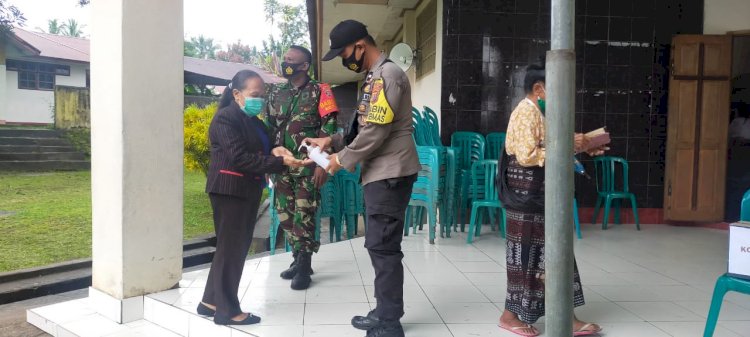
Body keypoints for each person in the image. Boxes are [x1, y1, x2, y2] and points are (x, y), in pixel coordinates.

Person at [304, 20, 421, 337]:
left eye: (343, 52)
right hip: (381, 172)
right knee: (379, 245)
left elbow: (376, 133)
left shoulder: (388, 75)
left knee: (383, 247)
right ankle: (384, 310)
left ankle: (389, 322)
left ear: (359, 46)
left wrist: (338, 161)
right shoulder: (374, 77)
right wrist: (330, 143)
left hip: (390, 174)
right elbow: (363, 127)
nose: (343, 59)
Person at [498, 64, 604, 336]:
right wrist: (568, 145)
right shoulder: (525, 112)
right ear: (538, 89)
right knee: (528, 259)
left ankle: (566, 316)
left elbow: (547, 145)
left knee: (553, 255)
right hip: (527, 200)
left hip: (540, 199)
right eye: (556, 89)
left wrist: (581, 144)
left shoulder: (540, 113)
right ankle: (511, 316)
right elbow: (526, 155)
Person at [198, 70, 310, 325]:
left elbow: (267, 145)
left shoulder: (254, 121)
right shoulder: (226, 119)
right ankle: (227, 311)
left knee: (230, 248)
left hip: (245, 190)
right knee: (232, 249)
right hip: (229, 190)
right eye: (254, 95)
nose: (259, 100)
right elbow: (241, 158)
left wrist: (277, 150)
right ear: (237, 94)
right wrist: (280, 162)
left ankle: (210, 301)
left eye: (263, 95)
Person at [264, 45, 339, 290]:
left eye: (290, 60)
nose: (285, 63)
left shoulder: (321, 90)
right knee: (285, 215)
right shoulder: (275, 91)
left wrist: (322, 164)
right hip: (282, 165)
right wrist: (269, 160)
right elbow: (269, 127)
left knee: (304, 214)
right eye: (285, 59)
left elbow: (329, 127)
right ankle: (297, 259)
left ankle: (304, 265)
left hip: (308, 166)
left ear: (304, 66)